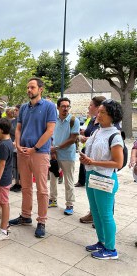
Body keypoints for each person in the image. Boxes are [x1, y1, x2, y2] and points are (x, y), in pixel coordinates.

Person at [9, 77, 57, 238]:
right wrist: (17, 144)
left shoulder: (50, 107)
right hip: (23, 152)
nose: (29, 90)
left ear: (40, 89)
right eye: (28, 87)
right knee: (25, 187)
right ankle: (25, 215)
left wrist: (34, 148)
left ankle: (42, 221)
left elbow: (50, 131)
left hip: (40, 153)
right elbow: (18, 128)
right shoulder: (23, 107)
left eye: (32, 87)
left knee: (42, 189)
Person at [80, 99, 124, 260]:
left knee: (105, 214)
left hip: (105, 178)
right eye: (99, 111)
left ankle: (111, 249)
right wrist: (86, 159)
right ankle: (102, 241)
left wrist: (93, 162)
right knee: (96, 212)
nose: (98, 114)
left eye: (103, 112)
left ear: (112, 115)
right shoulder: (97, 131)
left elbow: (118, 163)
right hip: (92, 175)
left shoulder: (115, 135)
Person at [48, 97, 80, 215]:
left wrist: (56, 148)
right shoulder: (53, 119)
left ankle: (70, 204)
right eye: (63, 106)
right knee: (52, 178)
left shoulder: (73, 120)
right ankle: (52, 199)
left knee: (69, 181)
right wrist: (52, 150)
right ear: (58, 107)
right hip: (54, 155)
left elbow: (73, 139)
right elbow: (50, 135)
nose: (66, 108)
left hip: (68, 155)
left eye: (67, 106)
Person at [77, 96, 106, 224]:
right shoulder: (92, 120)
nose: (89, 107)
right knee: (92, 189)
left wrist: (87, 139)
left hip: (100, 162)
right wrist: (82, 136)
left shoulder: (106, 122)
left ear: (98, 107)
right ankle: (93, 213)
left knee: (104, 192)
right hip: (88, 160)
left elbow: (104, 139)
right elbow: (89, 134)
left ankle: (102, 217)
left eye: (90, 105)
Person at [10, 104, 21, 192]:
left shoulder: (24, 121)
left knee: (20, 165)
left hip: (20, 145)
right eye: (15, 110)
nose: (15, 111)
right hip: (12, 145)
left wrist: (17, 142)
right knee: (14, 165)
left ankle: (21, 183)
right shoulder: (13, 122)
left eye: (17, 110)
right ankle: (16, 182)